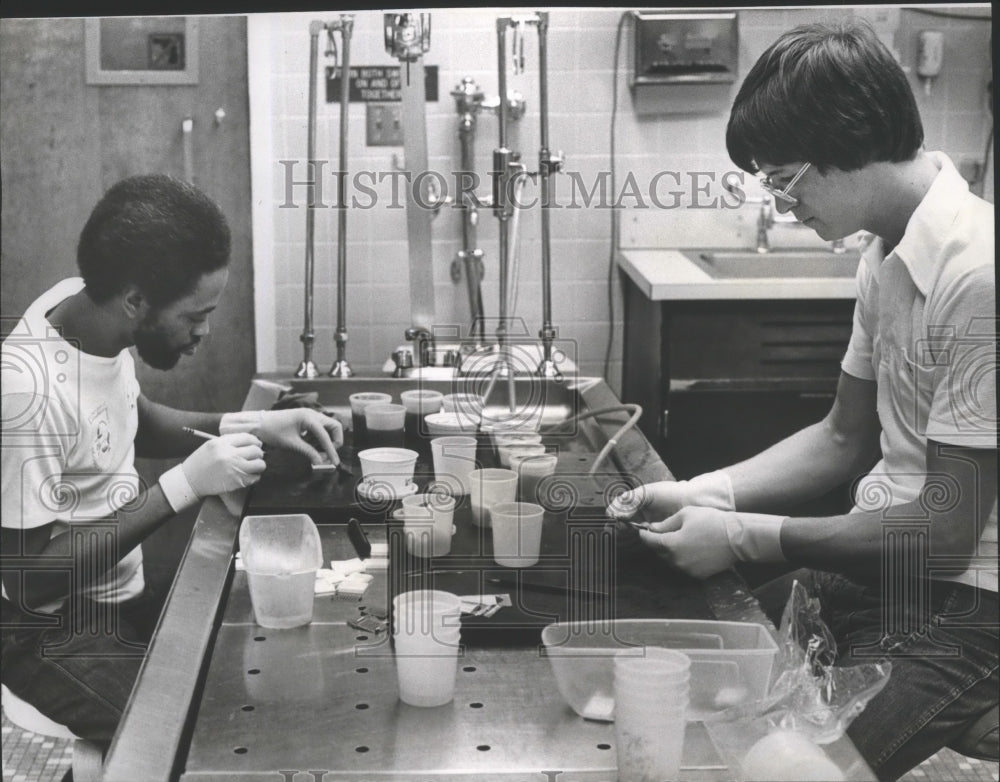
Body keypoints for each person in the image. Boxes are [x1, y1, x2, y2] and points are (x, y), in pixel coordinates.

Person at [608, 21, 997, 781]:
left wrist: (748, 535)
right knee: (699, 648)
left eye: (785, 179)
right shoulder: (885, 251)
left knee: (786, 771)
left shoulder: (978, 274)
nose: (783, 206)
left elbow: (946, 535)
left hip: (969, 607)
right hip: (889, 575)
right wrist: (702, 493)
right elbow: (839, 438)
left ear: (848, 145)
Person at [0, 174, 344, 758]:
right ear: (135, 300)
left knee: (238, 672)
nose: (205, 331)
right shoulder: (25, 392)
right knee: (202, 735)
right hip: (41, 632)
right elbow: (26, 581)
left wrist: (251, 425)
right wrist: (182, 485)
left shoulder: (83, 307)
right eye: (196, 315)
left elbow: (134, 416)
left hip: (113, 592)